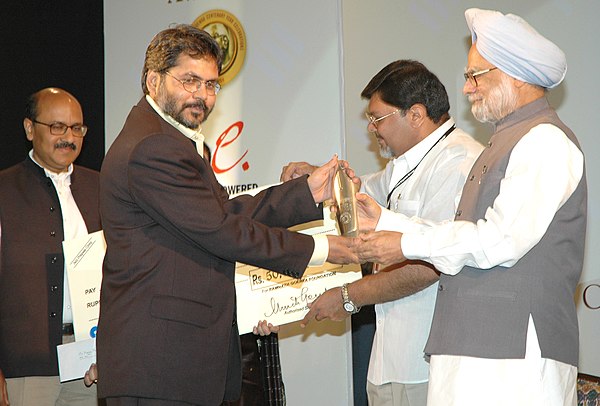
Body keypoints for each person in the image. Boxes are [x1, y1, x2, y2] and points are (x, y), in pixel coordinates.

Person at [96, 24, 355, 406]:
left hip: (174, 364)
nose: (203, 95)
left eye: (211, 84)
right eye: (190, 81)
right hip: (159, 367)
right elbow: (220, 229)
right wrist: (323, 249)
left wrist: (305, 194)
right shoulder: (153, 147)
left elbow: (224, 213)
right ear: (153, 81)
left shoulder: (172, 139)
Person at [353, 8, 586, 406]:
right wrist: (386, 220)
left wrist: (404, 243)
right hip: (477, 357)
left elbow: (500, 241)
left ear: (514, 75)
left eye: (475, 76)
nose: (466, 90)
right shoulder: (505, 141)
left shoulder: (545, 141)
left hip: (512, 363)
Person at [283, 60, 483, 406]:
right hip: (394, 358)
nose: (372, 129)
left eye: (377, 118)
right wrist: (317, 175)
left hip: (426, 364)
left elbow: (427, 268)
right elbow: (364, 192)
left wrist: (348, 296)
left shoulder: (457, 163)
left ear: (416, 114)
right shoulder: (407, 162)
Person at [0, 87, 102, 406]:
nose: (68, 137)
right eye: (57, 127)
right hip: (25, 370)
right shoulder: (4, 190)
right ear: (30, 129)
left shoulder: (100, 187)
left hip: (89, 363)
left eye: (76, 128)